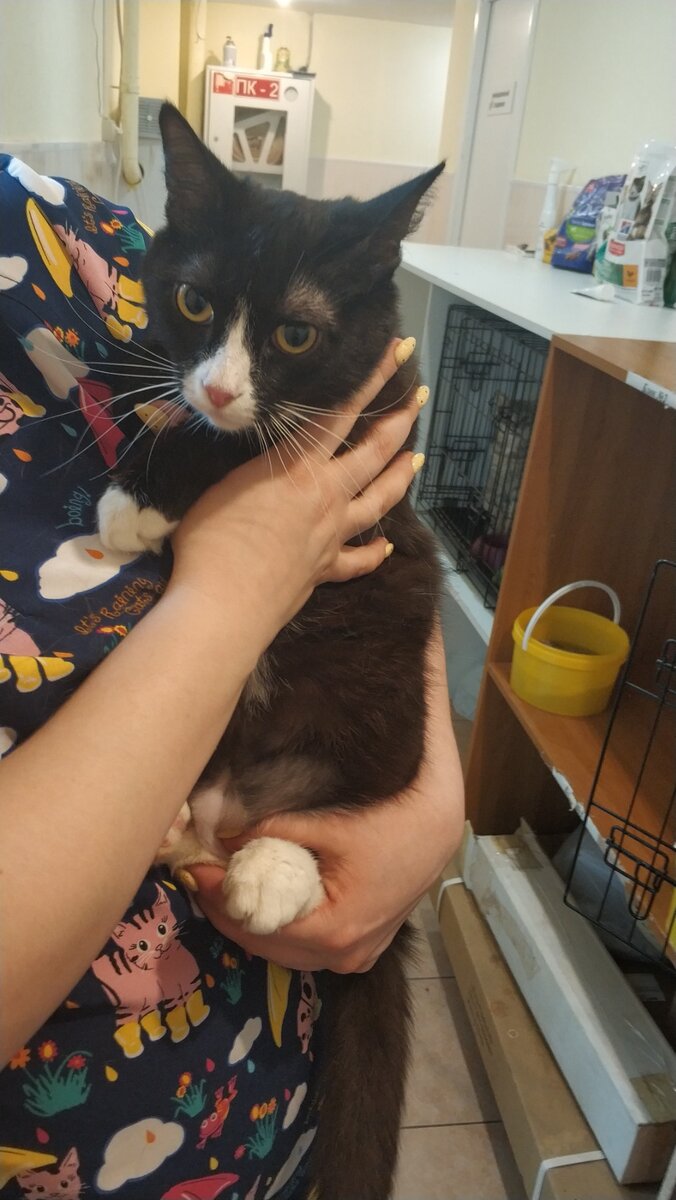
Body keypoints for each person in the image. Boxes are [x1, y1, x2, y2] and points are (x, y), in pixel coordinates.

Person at [0, 155, 464, 1198]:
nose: (217, 379)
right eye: (198, 314)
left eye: (290, 336)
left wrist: (431, 804)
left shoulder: (59, 222)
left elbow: (378, 525)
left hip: (271, 1086)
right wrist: (233, 584)